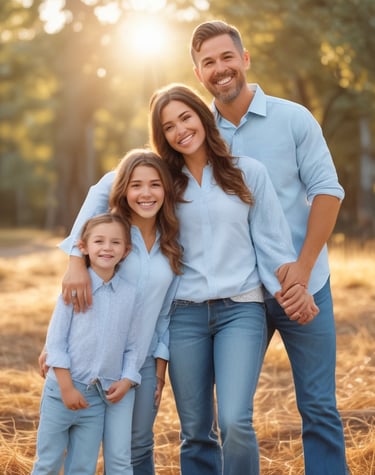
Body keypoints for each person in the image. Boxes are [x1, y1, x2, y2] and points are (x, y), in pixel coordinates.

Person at [189, 20, 348, 475]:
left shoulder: (293, 118)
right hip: (243, 299)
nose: (220, 69)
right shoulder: (199, 135)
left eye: (226, 57)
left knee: (319, 407)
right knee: (231, 415)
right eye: (208, 63)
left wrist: (302, 269)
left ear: (244, 59)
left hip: (306, 286)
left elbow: (327, 191)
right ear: (198, 73)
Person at [148, 83, 318, 475]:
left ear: (203, 118)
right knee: (194, 430)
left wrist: (295, 291)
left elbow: (273, 246)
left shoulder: (247, 173)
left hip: (240, 312)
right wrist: (76, 257)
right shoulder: (163, 185)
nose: (180, 130)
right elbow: (109, 191)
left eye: (185, 117)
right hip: (183, 316)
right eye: (168, 126)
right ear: (163, 136)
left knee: (235, 422)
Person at [39, 149, 182, 474]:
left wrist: (158, 371)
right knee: (75, 455)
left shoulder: (172, 244)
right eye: (135, 185)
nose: (145, 194)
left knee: (132, 448)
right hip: (87, 364)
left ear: (166, 190)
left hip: (137, 364)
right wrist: (53, 346)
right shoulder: (111, 235)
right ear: (123, 190)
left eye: (155, 185)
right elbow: (76, 291)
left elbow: (164, 316)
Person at [32, 213, 142, 475]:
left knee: (82, 467)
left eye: (115, 243)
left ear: (126, 251)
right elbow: (55, 343)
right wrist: (67, 388)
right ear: (83, 246)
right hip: (62, 390)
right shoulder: (74, 288)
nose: (107, 248)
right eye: (99, 241)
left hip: (97, 398)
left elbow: (134, 346)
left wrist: (128, 378)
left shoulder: (130, 295)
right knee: (47, 462)